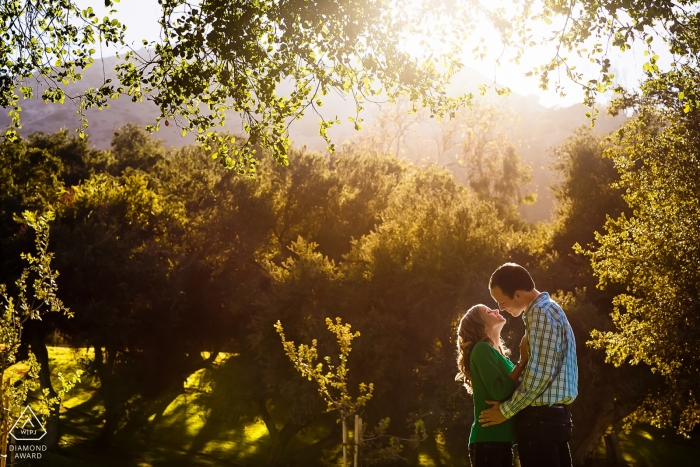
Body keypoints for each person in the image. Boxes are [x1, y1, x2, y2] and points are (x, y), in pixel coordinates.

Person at [478, 262, 578, 467]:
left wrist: (505, 410)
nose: (501, 308)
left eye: (501, 301)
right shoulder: (553, 309)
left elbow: (540, 374)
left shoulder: (539, 313)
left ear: (517, 294)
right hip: (558, 418)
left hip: (540, 422)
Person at [455, 304, 529, 467]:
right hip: (488, 440)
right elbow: (499, 391)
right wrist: (522, 362)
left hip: (499, 440)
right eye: (488, 311)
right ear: (480, 324)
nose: (496, 310)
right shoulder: (481, 349)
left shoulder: (498, 354)